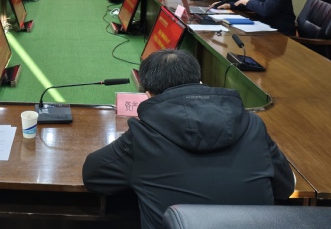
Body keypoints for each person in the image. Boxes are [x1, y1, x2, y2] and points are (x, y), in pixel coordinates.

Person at [82, 50, 294, 229]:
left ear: (148, 94)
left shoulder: (143, 134)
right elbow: (285, 188)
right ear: (200, 81)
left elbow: (93, 175)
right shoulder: (253, 124)